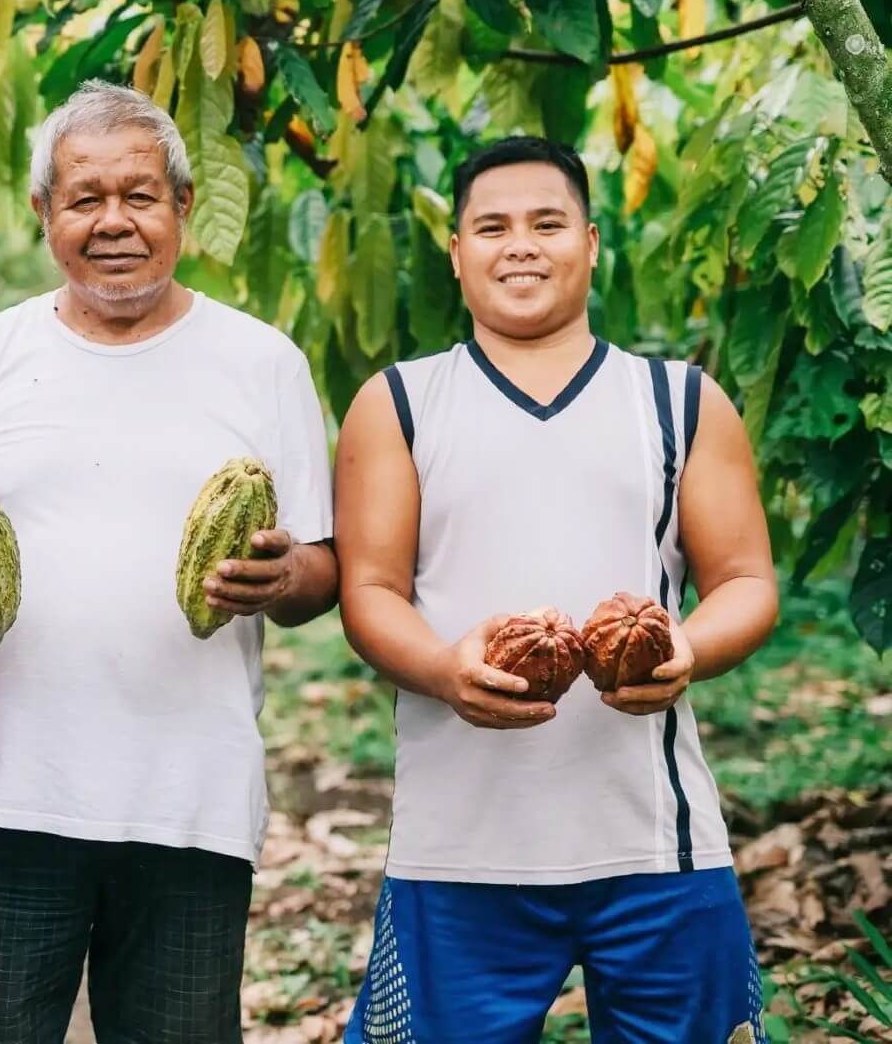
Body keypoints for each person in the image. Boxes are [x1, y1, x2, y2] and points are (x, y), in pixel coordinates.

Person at [0, 81, 339, 1044]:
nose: (114, 221)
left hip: (192, 803)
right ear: (43, 213)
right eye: (84, 198)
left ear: (183, 206)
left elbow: (323, 568)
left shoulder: (264, 363)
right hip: (13, 797)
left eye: (140, 195)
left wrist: (281, 577)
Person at [334, 137, 779, 1044]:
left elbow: (744, 579)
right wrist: (444, 666)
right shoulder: (400, 402)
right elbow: (370, 590)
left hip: (658, 842)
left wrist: (688, 646)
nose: (521, 244)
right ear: (455, 253)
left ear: (590, 240)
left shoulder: (679, 399)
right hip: (459, 847)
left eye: (548, 222)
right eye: (491, 226)